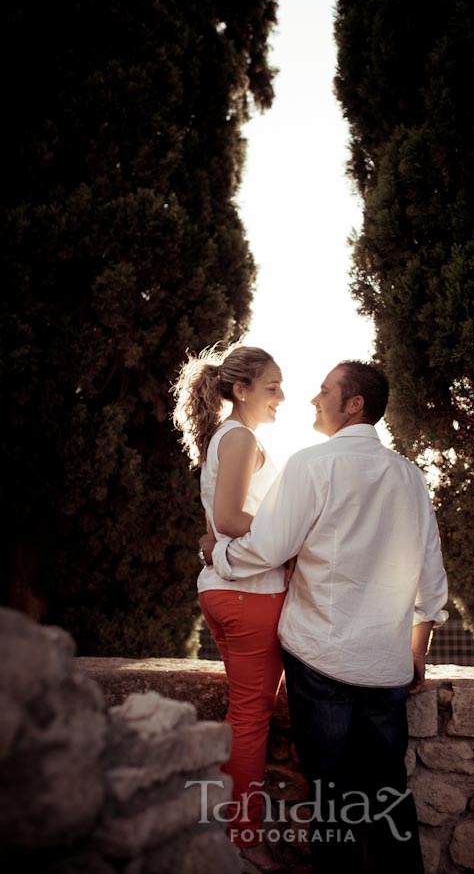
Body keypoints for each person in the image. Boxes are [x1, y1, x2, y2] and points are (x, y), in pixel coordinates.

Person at [206, 360, 448, 874]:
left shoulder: (312, 464)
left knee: (332, 801)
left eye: (324, 391)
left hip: (318, 660)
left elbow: (269, 546)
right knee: (388, 796)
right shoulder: (410, 475)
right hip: (386, 666)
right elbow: (432, 575)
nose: (313, 400)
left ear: (354, 404)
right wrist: (417, 650)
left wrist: (218, 555)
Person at [172, 343, 287, 874]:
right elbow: (229, 518)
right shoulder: (239, 435)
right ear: (241, 391)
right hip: (247, 593)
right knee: (250, 720)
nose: (281, 397)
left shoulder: (229, 436)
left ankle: (225, 827)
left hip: (223, 588)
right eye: (272, 387)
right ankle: (242, 838)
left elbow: (215, 526)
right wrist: (297, 538)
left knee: (244, 714)